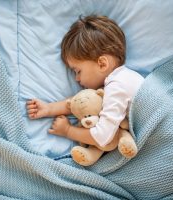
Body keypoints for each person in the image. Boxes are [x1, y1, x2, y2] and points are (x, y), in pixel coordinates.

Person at [27, 15, 144, 159]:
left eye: (78, 71)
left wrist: (68, 131)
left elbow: (103, 136)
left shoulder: (118, 86)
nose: (76, 79)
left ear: (102, 64)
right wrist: (49, 109)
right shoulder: (120, 79)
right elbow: (83, 102)